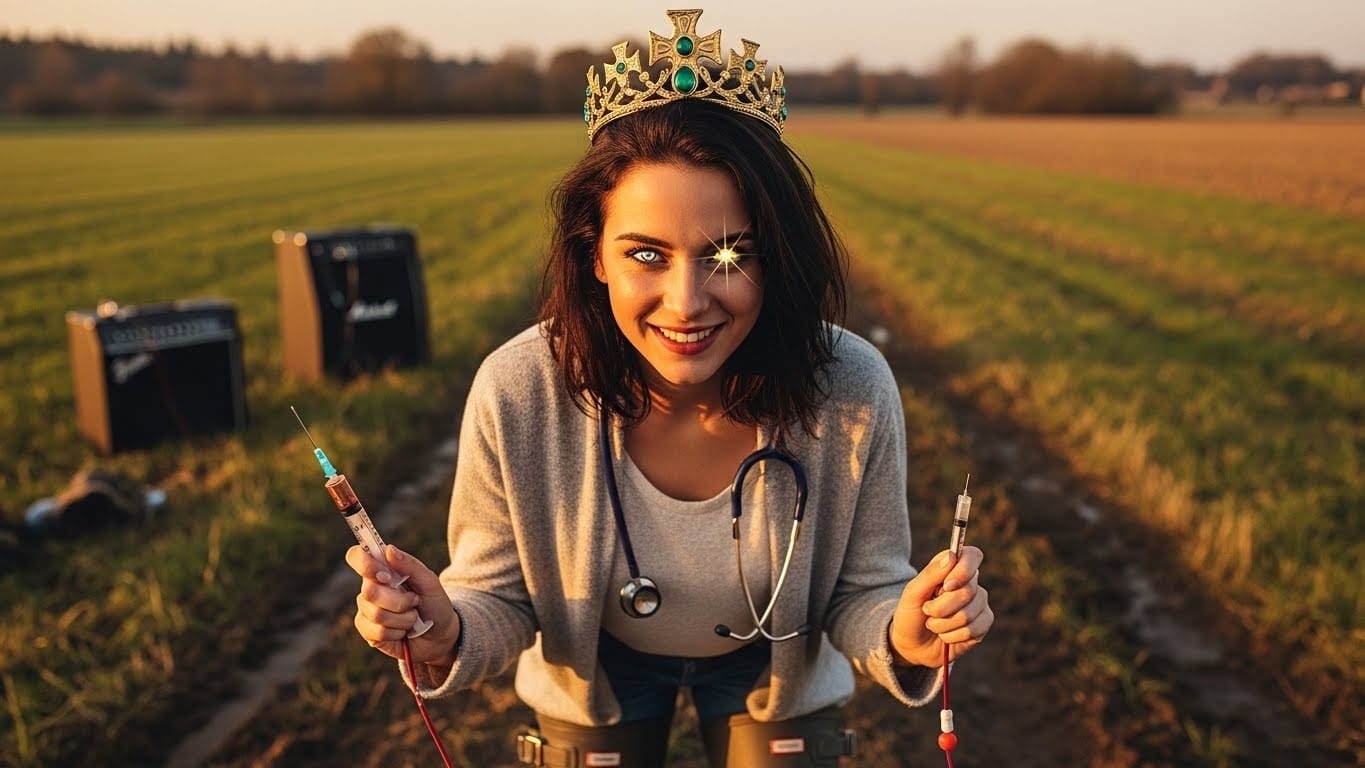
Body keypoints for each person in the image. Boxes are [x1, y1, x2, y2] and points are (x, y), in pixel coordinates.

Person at [347, 9, 993, 767]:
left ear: (774, 258)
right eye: (647, 254)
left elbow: (860, 591)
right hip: (600, 674)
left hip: (771, 671)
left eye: (727, 255)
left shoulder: (850, 386)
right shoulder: (518, 388)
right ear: (594, 256)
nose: (686, 301)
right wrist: (446, 625)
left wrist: (905, 631)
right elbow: (501, 598)